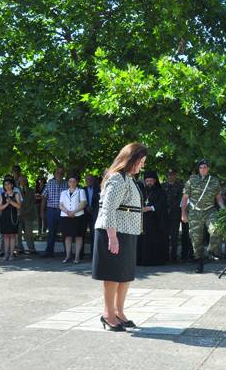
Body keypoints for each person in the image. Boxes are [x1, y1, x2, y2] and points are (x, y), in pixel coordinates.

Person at [92, 142, 147, 332]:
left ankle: (119, 311)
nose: (142, 166)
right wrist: (112, 236)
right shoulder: (117, 178)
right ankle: (108, 314)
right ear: (131, 159)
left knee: (124, 275)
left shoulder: (129, 178)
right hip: (114, 232)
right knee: (113, 274)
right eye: (141, 161)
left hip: (128, 232)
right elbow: (108, 208)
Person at [181, 159, 225, 273]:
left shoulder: (214, 181)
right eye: (201, 167)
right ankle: (199, 263)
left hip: (210, 210)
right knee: (196, 240)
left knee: (216, 229)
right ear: (198, 169)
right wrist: (183, 213)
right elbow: (185, 198)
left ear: (208, 169)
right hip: (195, 212)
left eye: (205, 167)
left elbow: (218, 197)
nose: (203, 169)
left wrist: (223, 208)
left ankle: (210, 250)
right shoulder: (191, 180)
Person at [137, 171, 168, 266]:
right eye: (147, 181)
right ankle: (141, 260)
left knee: (154, 240)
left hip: (156, 221)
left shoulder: (161, 191)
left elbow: (162, 204)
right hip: (144, 220)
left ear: (155, 181)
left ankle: (155, 261)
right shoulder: (142, 192)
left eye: (151, 181)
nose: (149, 183)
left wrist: (151, 208)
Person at [59, 175, 87, 264]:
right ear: (68, 183)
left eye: (74, 181)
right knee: (67, 236)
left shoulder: (81, 191)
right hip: (65, 216)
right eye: (70, 181)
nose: (72, 183)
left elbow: (83, 203)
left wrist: (73, 212)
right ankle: (68, 255)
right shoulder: (63, 193)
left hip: (78, 216)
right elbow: (60, 205)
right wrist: (67, 212)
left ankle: (77, 256)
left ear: (77, 182)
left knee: (78, 236)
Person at [40, 167, 67, 257]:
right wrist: (42, 211)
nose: (59, 174)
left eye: (61, 173)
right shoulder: (49, 183)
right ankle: (49, 252)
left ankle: (67, 252)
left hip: (63, 211)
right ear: (54, 174)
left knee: (65, 232)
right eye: (58, 173)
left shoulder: (67, 184)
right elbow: (44, 197)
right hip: (51, 211)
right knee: (51, 232)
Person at [163, 169, 184, 262]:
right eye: (169, 175)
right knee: (165, 236)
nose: (171, 176)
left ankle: (174, 256)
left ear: (176, 175)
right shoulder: (163, 186)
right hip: (165, 215)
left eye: (172, 175)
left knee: (174, 236)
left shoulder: (180, 186)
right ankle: (165, 255)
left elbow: (179, 200)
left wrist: (170, 208)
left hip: (175, 214)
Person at [0, 178, 21, 261]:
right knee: (6, 236)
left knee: (12, 235)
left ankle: (11, 254)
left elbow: (19, 206)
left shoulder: (16, 194)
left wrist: (11, 202)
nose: (7, 186)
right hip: (4, 217)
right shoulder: (2, 195)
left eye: (8, 184)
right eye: (5, 184)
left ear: (12, 185)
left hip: (13, 217)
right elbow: (0, 208)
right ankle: (6, 254)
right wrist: (7, 203)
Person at [18, 176, 37, 254]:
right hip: (19, 215)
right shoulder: (16, 190)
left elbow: (33, 202)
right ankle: (20, 249)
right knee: (18, 233)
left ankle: (32, 249)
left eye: (24, 180)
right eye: (21, 180)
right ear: (19, 181)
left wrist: (27, 211)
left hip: (29, 214)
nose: (23, 181)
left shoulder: (31, 190)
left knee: (29, 233)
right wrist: (21, 211)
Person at [83, 175, 100, 260]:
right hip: (84, 213)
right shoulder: (83, 189)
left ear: (93, 180)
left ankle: (93, 254)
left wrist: (93, 208)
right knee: (82, 233)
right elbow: (80, 200)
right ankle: (81, 254)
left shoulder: (98, 189)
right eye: (87, 179)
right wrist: (86, 207)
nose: (88, 181)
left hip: (94, 213)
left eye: (90, 179)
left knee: (94, 233)